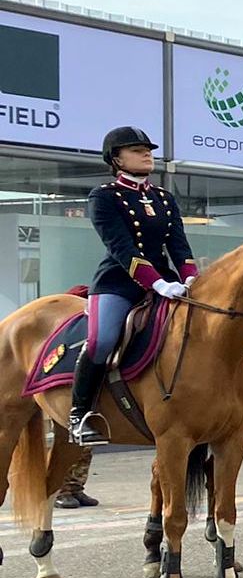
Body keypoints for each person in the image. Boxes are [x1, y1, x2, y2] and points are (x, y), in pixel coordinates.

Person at [70, 126, 198, 447]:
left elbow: (179, 245)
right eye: (137, 149)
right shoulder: (104, 196)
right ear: (116, 158)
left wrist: (190, 276)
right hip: (118, 282)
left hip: (166, 281)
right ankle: (80, 413)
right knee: (102, 340)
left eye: (148, 149)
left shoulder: (164, 198)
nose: (147, 153)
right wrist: (155, 283)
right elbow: (121, 248)